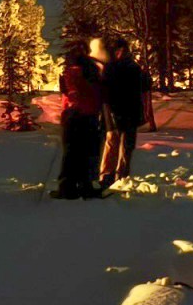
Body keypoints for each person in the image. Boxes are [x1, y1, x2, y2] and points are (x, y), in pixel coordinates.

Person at [51, 42, 103, 199]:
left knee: (71, 152)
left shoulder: (70, 73)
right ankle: (86, 185)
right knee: (88, 152)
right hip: (91, 115)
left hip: (73, 115)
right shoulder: (94, 70)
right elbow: (98, 92)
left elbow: (69, 95)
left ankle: (67, 187)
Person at [99, 38, 150, 188]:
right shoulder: (117, 67)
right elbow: (106, 91)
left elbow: (142, 88)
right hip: (118, 111)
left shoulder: (130, 67)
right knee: (115, 143)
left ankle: (118, 175)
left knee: (124, 144)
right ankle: (110, 175)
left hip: (126, 111)